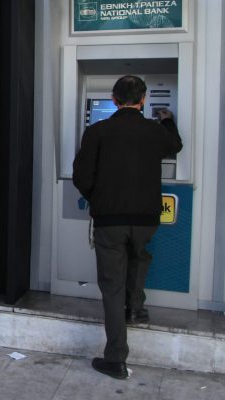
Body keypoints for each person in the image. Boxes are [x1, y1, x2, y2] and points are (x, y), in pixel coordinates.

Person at [73, 75, 182, 380]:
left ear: (113, 98)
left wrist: (98, 198)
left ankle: (116, 358)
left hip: (111, 219)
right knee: (140, 256)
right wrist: (168, 120)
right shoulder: (154, 130)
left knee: (112, 285)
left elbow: (81, 175)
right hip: (146, 218)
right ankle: (135, 308)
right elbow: (176, 145)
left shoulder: (97, 130)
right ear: (144, 99)